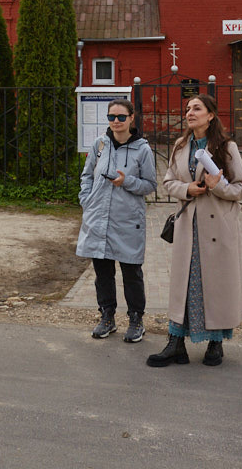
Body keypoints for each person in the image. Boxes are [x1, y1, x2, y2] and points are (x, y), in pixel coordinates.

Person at [147, 93, 242, 367]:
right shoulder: (181, 145)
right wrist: (187, 189)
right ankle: (175, 342)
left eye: (197, 108)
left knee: (216, 285)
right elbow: (168, 181)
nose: (190, 113)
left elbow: (241, 188)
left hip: (217, 227)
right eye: (188, 108)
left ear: (210, 115)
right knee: (185, 283)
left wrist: (217, 186)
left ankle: (216, 344)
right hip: (188, 224)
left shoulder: (227, 147)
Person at [76, 98, 157, 343]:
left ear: (132, 118)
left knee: (131, 271)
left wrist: (127, 182)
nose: (116, 122)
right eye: (112, 117)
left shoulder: (142, 149)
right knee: (103, 271)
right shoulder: (100, 144)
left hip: (126, 219)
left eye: (121, 117)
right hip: (98, 218)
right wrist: (86, 200)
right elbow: (87, 175)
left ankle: (135, 320)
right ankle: (107, 316)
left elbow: (150, 185)